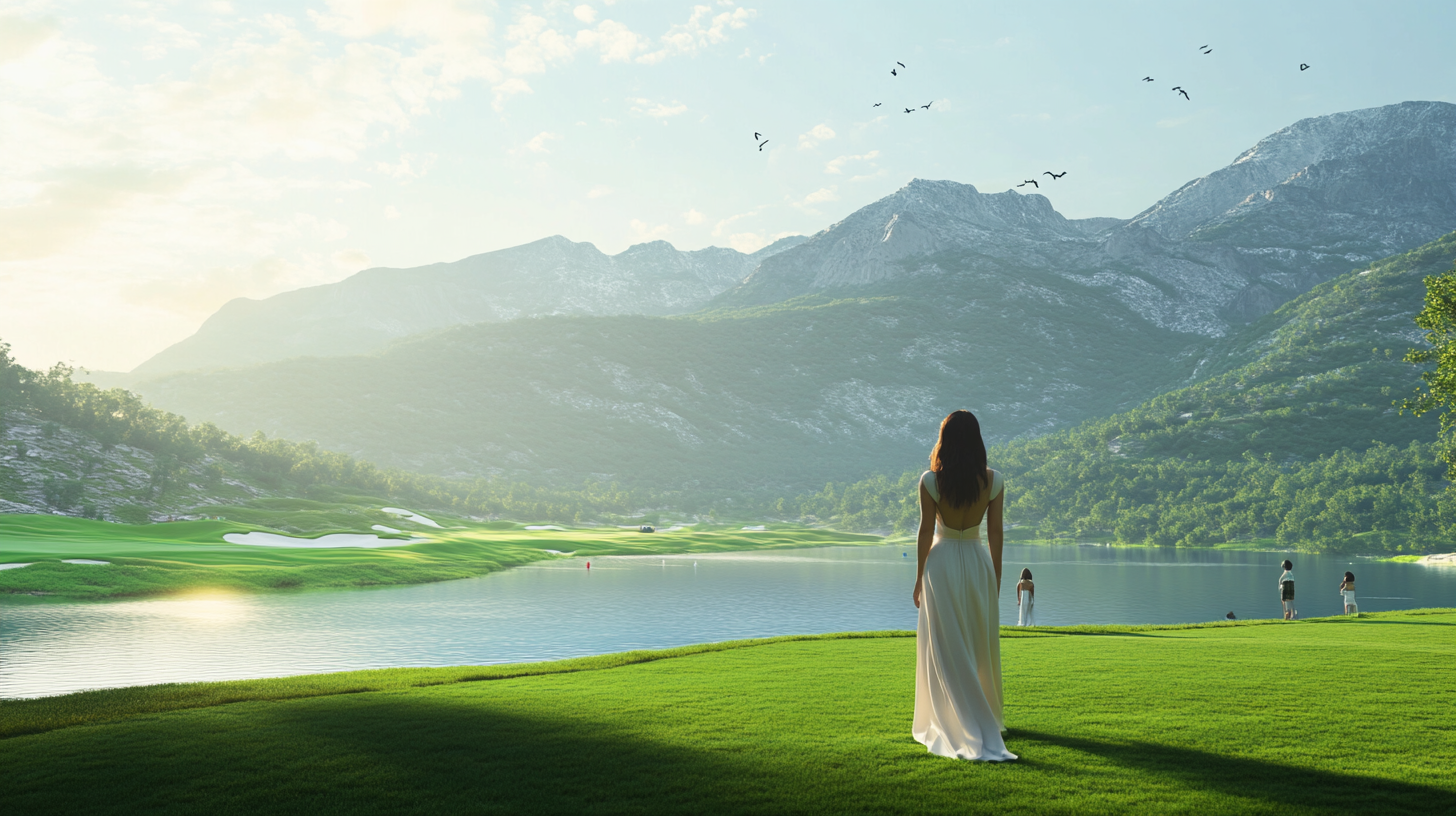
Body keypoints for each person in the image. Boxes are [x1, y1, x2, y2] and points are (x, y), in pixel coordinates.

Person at [912, 410, 1017, 762]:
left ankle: (952, 715)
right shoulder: (993, 480)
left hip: (940, 564)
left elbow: (926, 532)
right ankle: (982, 713)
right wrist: (996, 576)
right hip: (976, 561)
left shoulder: (930, 481)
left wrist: (917, 578)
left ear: (945, 440)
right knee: (977, 640)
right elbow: (996, 533)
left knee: (943, 643)